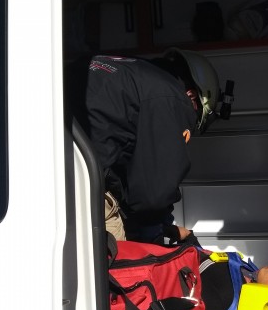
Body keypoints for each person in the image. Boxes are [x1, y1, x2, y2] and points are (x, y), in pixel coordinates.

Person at [79, 49, 232, 244]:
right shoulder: (173, 99)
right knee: (122, 266)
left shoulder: (132, 71)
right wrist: (155, 234)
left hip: (62, 163)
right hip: (85, 184)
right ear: (192, 95)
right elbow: (152, 195)